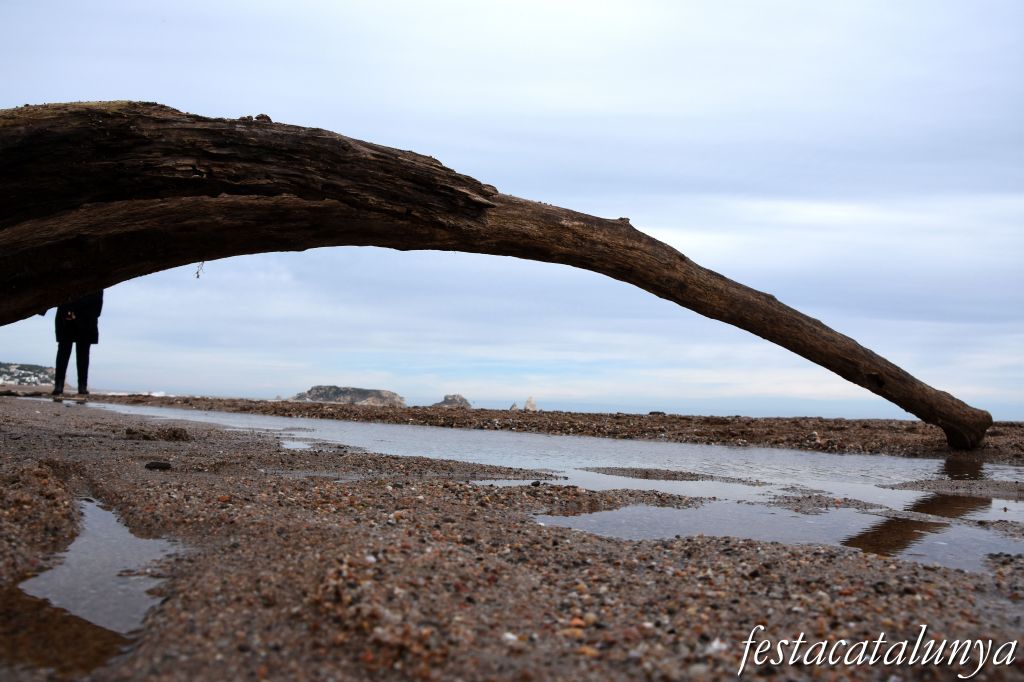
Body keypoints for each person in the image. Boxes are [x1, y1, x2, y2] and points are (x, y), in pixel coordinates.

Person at [52, 290, 104, 396]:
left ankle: (81, 386)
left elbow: (98, 301)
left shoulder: (96, 283)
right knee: (64, 351)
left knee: (82, 354)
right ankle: (59, 385)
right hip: (67, 317)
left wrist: (93, 314)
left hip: (86, 319)